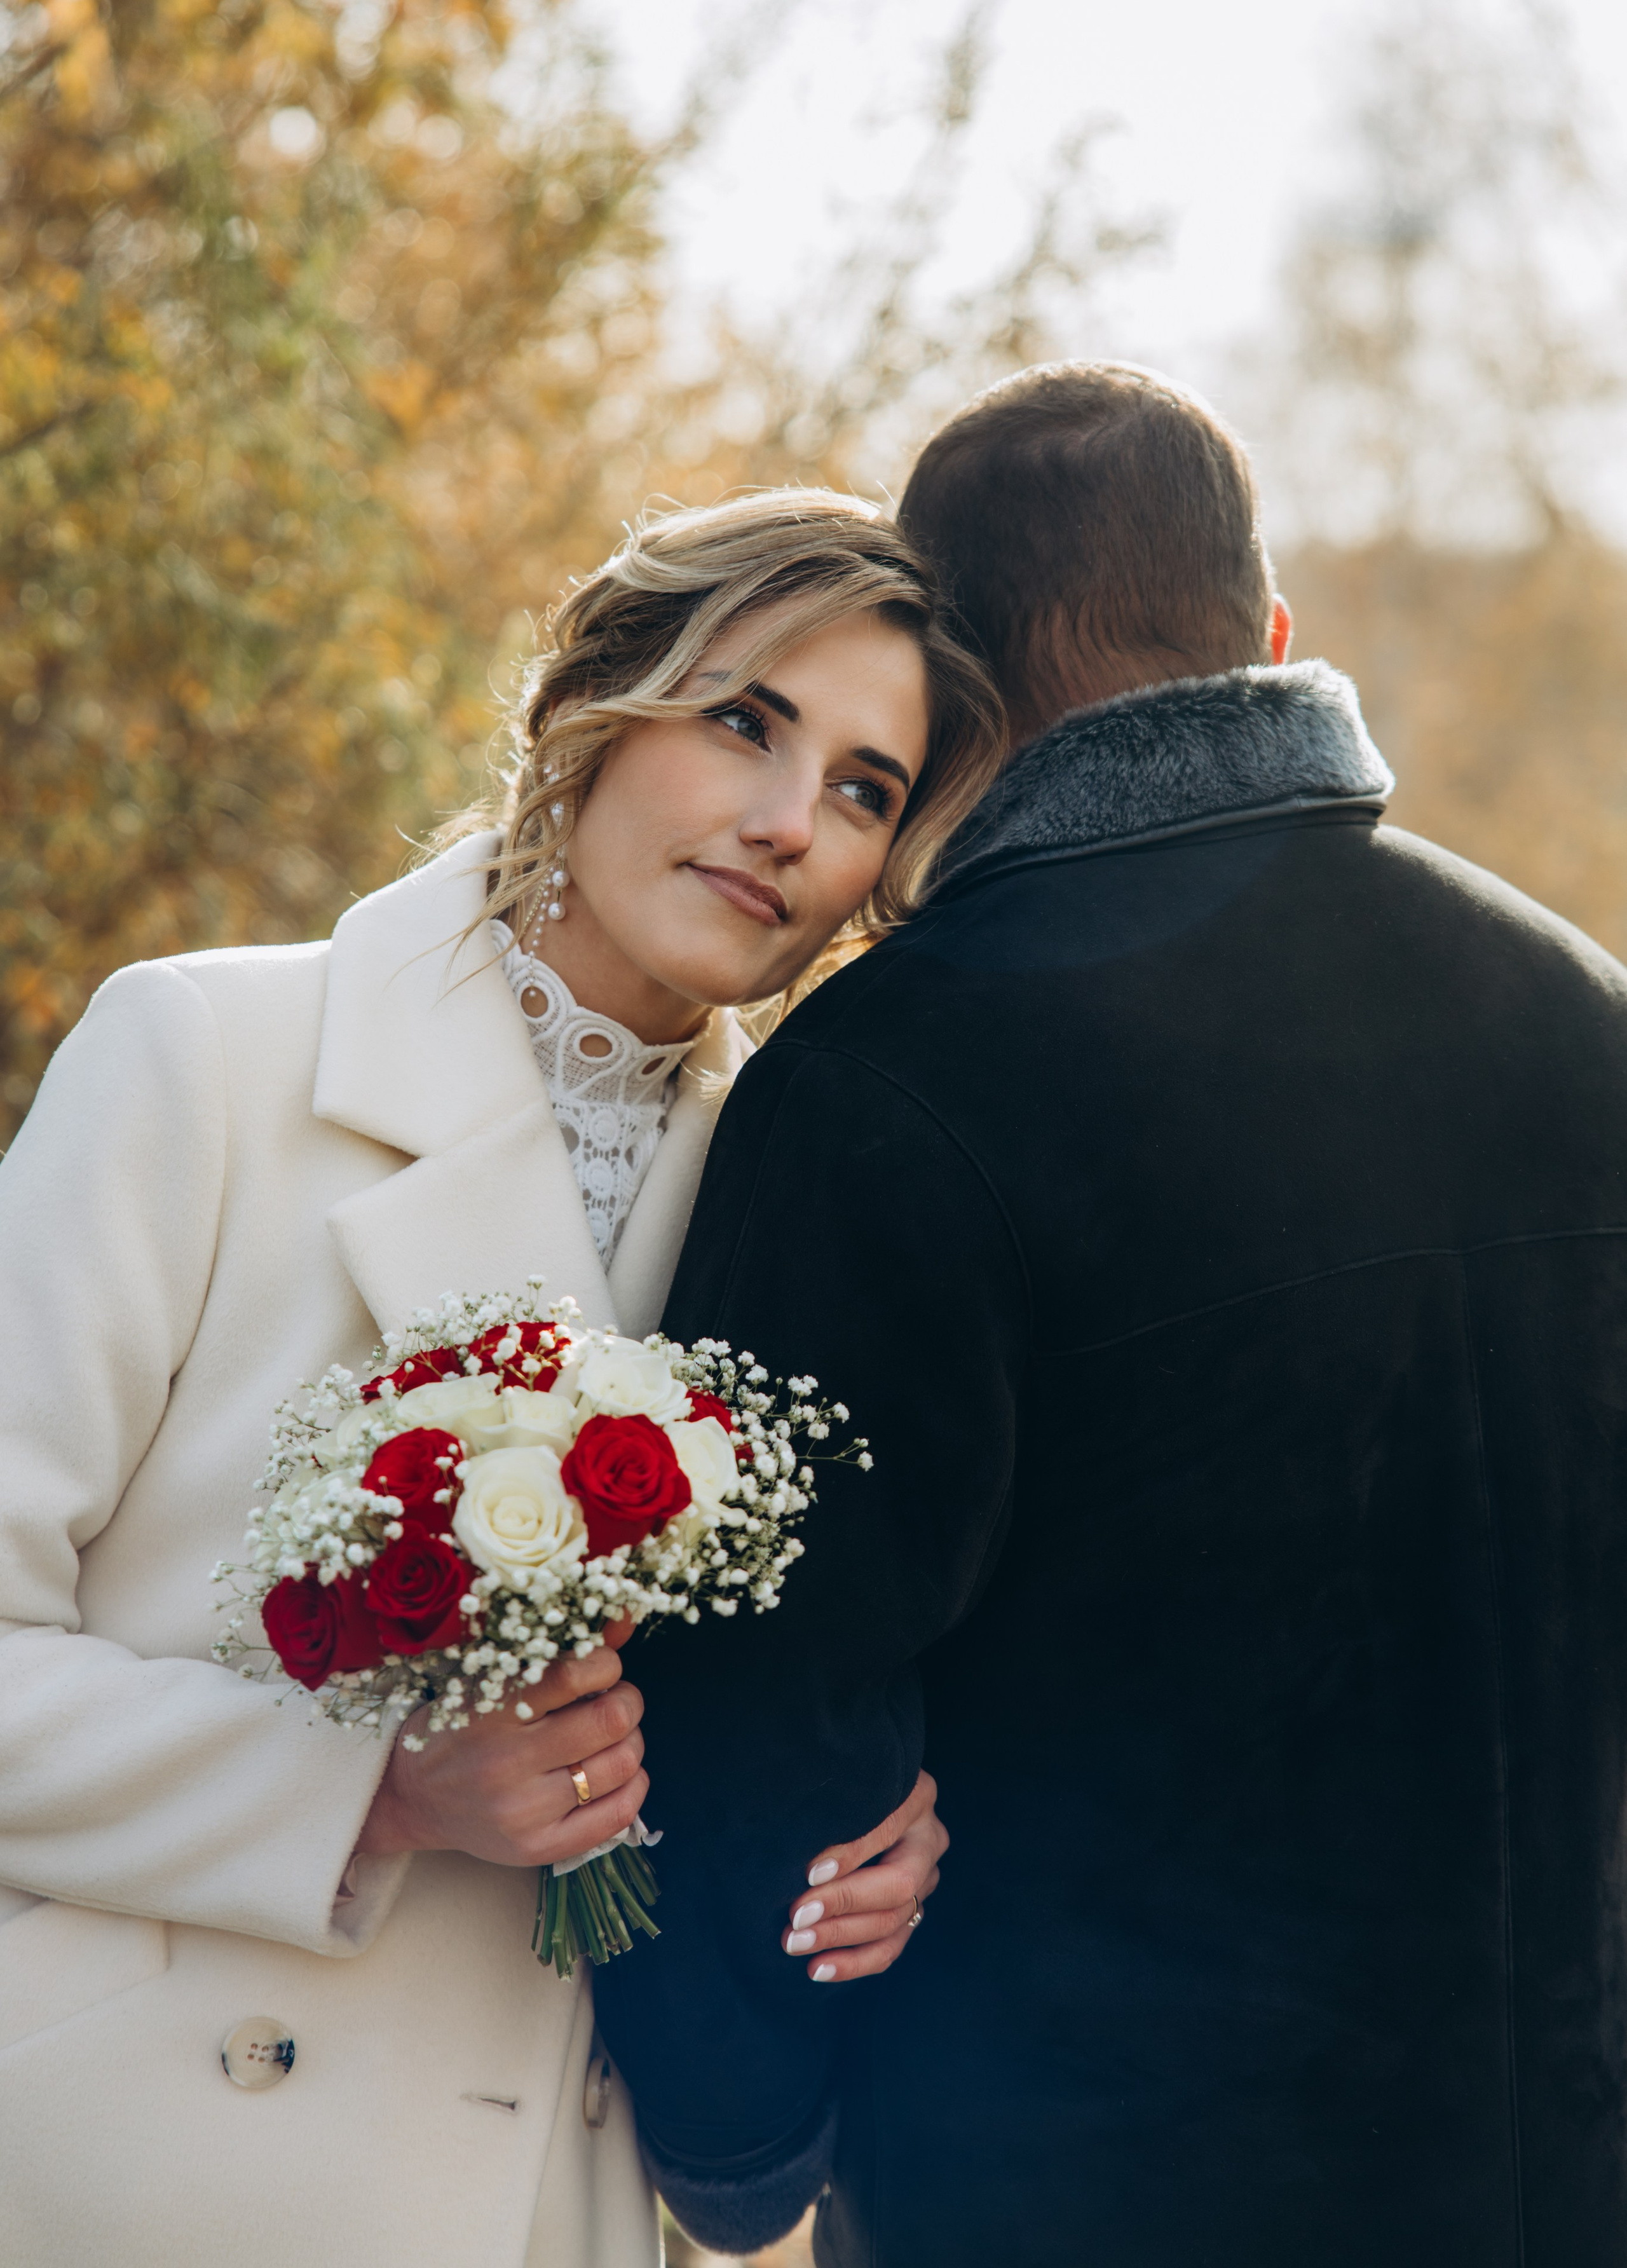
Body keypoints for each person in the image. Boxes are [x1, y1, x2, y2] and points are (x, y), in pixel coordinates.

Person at [596, 362, 1627, 2265]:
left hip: (1080, 2178)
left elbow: (767, 1684)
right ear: (1272, 632)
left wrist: (741, 2133)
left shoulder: (893, 1081)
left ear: (956, 687)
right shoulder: (1582, 1011)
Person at [0, 488, 1004, 2268]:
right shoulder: (206, 1060)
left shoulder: (826, 1200)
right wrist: (373, 1788)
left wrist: (879, 1832)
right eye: (744, 722)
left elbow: (782, 1690)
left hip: (570, 2196)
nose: (788, 823)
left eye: (864, 789)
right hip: (165, 2165)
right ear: (593, 707)